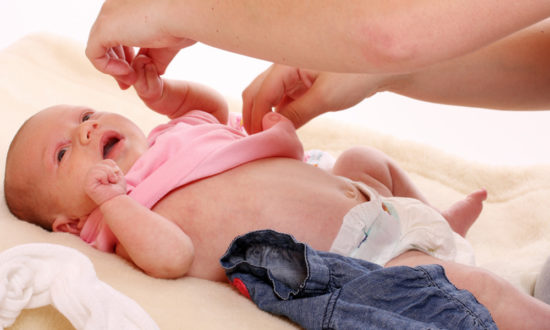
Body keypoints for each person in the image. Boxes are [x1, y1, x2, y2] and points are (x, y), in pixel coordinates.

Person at [4, 56, 550, 329]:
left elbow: (214, 113)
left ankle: (440, 224)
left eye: (85, 115)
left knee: (363, 156)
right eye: (62, 153)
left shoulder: (173, 136)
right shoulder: (123, 216)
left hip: (367, 199)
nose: (85, 129)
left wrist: (164, 92)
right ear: (69, 225)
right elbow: (173, 258)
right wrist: (113, 202)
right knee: (480, 288)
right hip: (365, 258)